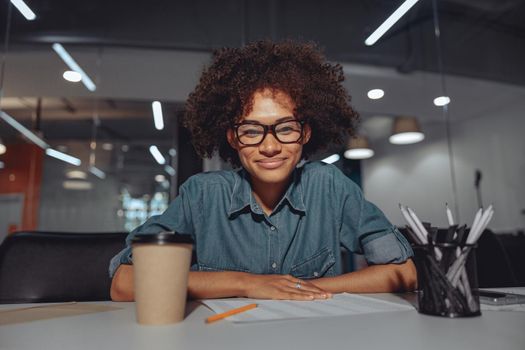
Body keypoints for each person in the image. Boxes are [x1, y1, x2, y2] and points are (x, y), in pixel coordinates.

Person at [109, 40, 416, 302]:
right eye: (252, 131)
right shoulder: (201, 195)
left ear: (305, 133)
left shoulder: (329, 186)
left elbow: (405, 272)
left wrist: (297, 289)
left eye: (285, 128)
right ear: (233, 138)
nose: (270, 147)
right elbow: (123, 283)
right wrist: (248, 284)